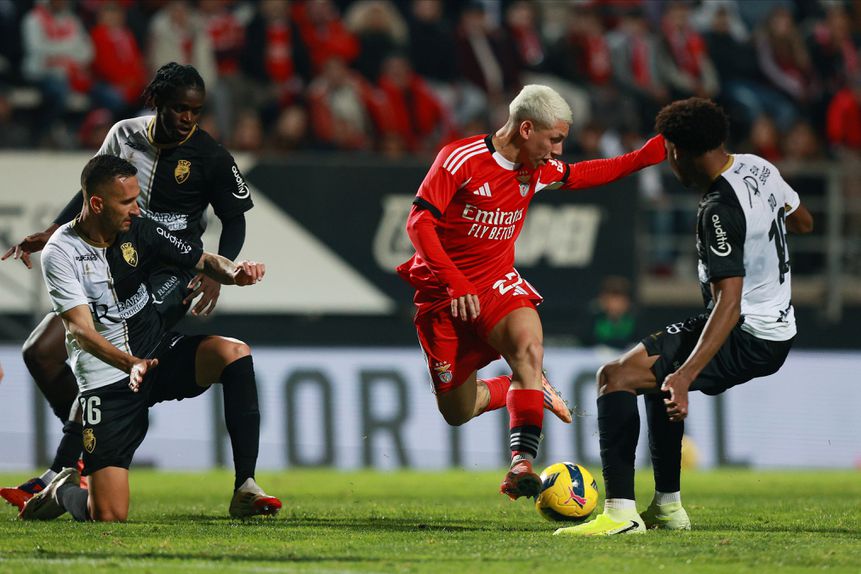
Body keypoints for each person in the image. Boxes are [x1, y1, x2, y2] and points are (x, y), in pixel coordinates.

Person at [1, 62, 253, 512]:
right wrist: (53, 231)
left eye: (196, 111)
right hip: (115, 256)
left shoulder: (211, 156)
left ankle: (68, 462)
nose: (188, 119)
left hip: (168, 270)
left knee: (115, 340)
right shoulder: (123, 134)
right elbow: (90, 189)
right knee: (40, 352)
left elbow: (234, 218)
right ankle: (82, 451)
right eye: (179, 108)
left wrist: (220, 271)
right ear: (157, 102)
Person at [555, 98, 813, 537]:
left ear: (676, 151)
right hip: (774, 326)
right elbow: (803, 220)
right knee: (653, 381)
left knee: (614, 377)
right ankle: (668, 508)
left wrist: (686, 374)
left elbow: (729, 304)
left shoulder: (717, 209)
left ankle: (619, 515)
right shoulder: (758, 167)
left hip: (748, 330)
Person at [396, 84, 666, 500]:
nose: (558, 150)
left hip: (497, 285)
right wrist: (453, 280)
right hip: (443, 294)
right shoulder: (460, 160)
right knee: (456, 411)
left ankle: (521, 461)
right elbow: (418, 224)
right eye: (554, 139)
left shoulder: (536, 169)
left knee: (528, 347)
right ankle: (522, 386)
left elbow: (584, 174)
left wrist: (645, 156)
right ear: (526, 128)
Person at [19, 155, 279, 521]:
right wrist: (130, 364)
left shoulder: (141, 228)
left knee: (234, 352)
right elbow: (80, 330)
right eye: (126, 202)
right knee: (108, 515)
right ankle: (64, 492)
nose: (136, 209)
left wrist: (236, 273)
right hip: (107, 381)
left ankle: (245, 486)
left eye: (137, 198)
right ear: (96, 204)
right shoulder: (62, 252)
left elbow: (202, 260)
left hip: (156, 352)